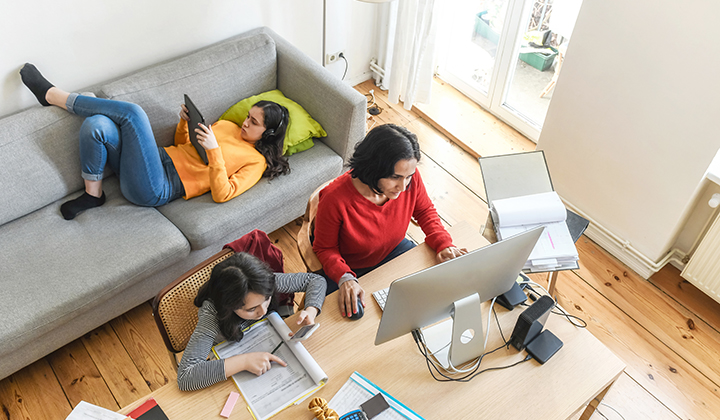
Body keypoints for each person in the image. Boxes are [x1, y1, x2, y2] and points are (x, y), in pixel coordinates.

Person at [19, 63, 290, 220]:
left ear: (267, 134)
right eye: (248, 117)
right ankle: (93, 195)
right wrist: (185, 122)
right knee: (96, 125)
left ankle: (53, 96)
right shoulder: (229, 125)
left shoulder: (255, 161)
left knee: (134, 113)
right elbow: (183, 144)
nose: (245, 122)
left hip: (158, 186)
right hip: (155, 160)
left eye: (254, 123)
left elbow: (223, 194)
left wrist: (215, 152)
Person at [312, 123, 467, 319]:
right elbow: (324, 248)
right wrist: (345, 277)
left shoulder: (409, 180)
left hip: (394, 250)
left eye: (408, 177)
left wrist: (444, 244)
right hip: (351, 267)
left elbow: (425, 211)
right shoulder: (334, 199)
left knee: (432, 299)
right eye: (395, 177)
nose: (403, 187)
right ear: (373, 167)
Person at [176, 252, 326, 392]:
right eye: (251, 309)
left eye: (267, 299)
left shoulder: (261, 285)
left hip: (268, 342)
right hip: (232, 360)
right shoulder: (211, 314)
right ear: (228, 306)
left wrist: (311, 310)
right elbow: (185, 376)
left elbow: (315, 280)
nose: (263, 312)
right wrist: (244, 361)